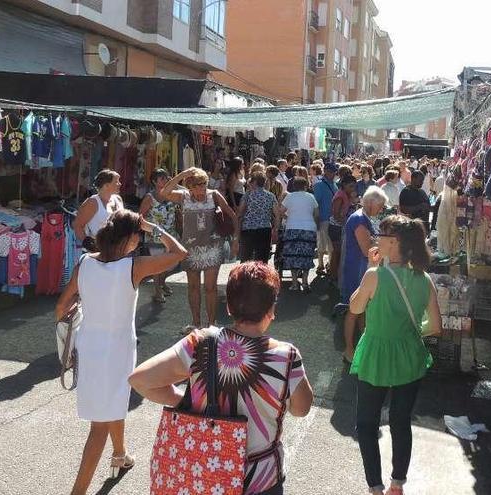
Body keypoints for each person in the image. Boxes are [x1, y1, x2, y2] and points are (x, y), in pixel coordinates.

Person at [129, 262, 314, 495]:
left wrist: (184, 401)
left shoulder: (201, 344)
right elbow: (301, 409)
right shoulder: (286, 357)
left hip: (205, 476)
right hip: (261, 480)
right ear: (271, 310)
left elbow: (140, 380)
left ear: (229, 307)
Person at [56, 210, 188, 495]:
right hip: (116, 349)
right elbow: (179, 253)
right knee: (99, 426)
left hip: (89, 345)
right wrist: (153, 227)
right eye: (138, 235)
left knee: (113, 401)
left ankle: (120, 454)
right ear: (130, 237)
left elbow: (60, 309)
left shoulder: (84, 263)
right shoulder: (133, 266)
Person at [347, 215, 442, 495]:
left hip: (375, 354)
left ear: (394, 242)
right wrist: (407, 335)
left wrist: (370, 266)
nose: (377, 238)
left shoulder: (375, 275)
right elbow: (435, 326)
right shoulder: (424, 279)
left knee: (366, 423)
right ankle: (397, 484)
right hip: (410, 355)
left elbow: (354, 308)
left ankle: (375, 487)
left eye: (382, 235)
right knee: (401, 422)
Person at [161, 167, 239, 328]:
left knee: (210, 287)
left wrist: (235, 240)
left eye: (203, 184)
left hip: (213, 247)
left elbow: (232, 216)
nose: (201, 188)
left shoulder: (214, 195)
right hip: (190, 248)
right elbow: (164, 192)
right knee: (193, 287)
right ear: (190, 186)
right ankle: (196, 323)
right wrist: (182, 174)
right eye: (197, 185)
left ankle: (211, 323)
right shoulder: (184, 197)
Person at [341, 186, 387, 305]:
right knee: (356, 305)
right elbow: (367, 250)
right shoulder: (359, 219)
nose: (381, 210)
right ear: (371, 202)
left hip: (358, 265)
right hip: (356, 267)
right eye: (380, 206)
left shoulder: (362, 217)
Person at [138, 169, 179, 303]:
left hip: (170, 234)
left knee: (169, 263)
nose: (165, 180)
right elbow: (140, 216)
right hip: (154, 236)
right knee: (157, 264)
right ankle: (157, 290)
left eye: (166, 178)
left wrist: (175, 183)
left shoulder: (172, 194)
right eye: (161, 179)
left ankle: (162, 282)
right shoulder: (150, 197)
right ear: (154, 182)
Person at [280, 176, 319, 292]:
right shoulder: (311, 197)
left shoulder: (289, 197)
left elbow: (280, 211)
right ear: (306, 186)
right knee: (306, 255)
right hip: (308, 228)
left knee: (292, 255)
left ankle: (294, 283)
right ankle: (305, 282)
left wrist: (288, 217)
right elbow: (317, 213)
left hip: (292, 227)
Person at [73, 169, 124, 251]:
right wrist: (89, 244)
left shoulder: (118, 199)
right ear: (106, 185)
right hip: (98, 249)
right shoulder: (92, 202)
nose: (120, 184)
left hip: (116, 249)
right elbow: (77, 225)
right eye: (116, 182)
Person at [236, 171, 279, 263]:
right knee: (262, 259)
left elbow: (240, 213)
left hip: (248, 229)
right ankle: (261, 277)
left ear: (255, 182)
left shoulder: (247, 195)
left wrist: (237, 231)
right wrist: (275, 230)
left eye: (251, 181)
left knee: (246, 258)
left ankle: (246, 277)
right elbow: (277, 214)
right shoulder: (270, 196)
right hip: (265, 229)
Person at [328, 175, 357, 285]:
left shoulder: (346, 194)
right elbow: (336, 215)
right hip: (336, 228)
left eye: (354, 186)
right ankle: (333, 276)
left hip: (341, 227)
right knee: (337, 252)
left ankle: (336, 275)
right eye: (350, 186)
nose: (353, 189)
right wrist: (348, 223)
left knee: (340, 252)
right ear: (344, 185)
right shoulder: (340, 196)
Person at [312, 163, 338, 277]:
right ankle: (321, 264)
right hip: (323, 218)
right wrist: (316, 219)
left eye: (334, 172)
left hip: (333, 219)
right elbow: (315, 204)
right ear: (325, 171)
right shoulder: (319, 185)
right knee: (322, 243)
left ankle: (329, 264)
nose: (333, 174)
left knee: (331, 244)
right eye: (331, 172)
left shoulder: (335, 185)